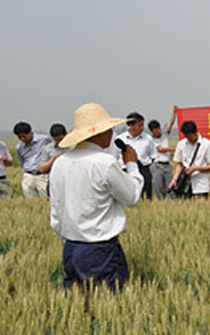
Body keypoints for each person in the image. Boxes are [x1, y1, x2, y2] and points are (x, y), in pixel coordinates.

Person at [49, 103, 143, 291]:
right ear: (99, 133)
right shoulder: (104, 163)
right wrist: (132, 165)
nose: (111, 133)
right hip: (100, 249)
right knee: (107, 299)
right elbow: (131, 197)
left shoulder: (60, 163)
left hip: (70, 248)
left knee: (76, 302)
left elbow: (56, 209)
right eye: (109, 129)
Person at [170, 121, 210, 199]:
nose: (188, 139)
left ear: (196, 132)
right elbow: (179, 164)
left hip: (201, 183)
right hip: (184, 183)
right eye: (186, 137)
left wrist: (195, 169)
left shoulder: (207, 144)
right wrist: (174, 179)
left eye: (190, 136)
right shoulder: (181, 144)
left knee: (201, 204)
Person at [116, 112, 156, 200]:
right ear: (131, 125)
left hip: (143, 169)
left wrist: (145, 167)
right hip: (125, 170)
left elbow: (153, 156)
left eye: (142, 125)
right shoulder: (120, 139)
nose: (142, 128)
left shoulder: (148, 139)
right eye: (139, 126)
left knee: (146, 194)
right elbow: (116, 156)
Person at [13, 121, 53, 198]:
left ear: (30, 133)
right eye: (19, 137)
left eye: (24, 136)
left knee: (45, 198)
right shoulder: (19, 147)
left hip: (42, 175)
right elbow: (21, 161)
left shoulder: (44, 140)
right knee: (29, 199)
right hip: (28, 175)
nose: (22, 139)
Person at [149, 119, 174, 200]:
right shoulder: (150, 139)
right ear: (152, 131)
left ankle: (172, 202)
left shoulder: (164, 135)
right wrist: (174, 149)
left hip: (167, 164)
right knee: (158, 186)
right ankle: (160, 202)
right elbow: (160, 149)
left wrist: (174, 113)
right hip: (157, 165)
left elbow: (170, 124)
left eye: (159, 128)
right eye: (156, 129)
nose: (158, 131)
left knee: (170, 186)